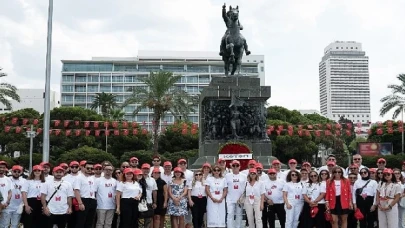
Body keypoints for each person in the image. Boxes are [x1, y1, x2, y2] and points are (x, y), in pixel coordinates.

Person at [74, 161, 97, 228]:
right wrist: (80, 203)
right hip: (83, 200)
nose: (89, 170)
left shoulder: (93, 178)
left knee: (89, 222)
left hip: (92, 200)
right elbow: (76, 191)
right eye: (88, 168)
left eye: (91, 168)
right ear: (83, 168)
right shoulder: (79, 177)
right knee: (81, 221)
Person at [225, 160, 246, 228]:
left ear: (240, 166)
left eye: (237, 165)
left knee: (239, 214)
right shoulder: (227, 176)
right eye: (233, 165)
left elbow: (246, 187)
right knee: (230, 214)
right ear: (231, 166)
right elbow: (225, 187)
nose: (235, 167)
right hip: (230, 198)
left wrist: (242, 197)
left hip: (240, 199)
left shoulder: (244, 176)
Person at [95, 164, 117, 228]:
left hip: (111, 206)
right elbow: (94, 192)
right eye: (106, 169)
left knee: (108, 223)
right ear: (103, 170)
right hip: (101, 205)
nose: (108, 171)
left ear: (112, 171)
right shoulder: (98, 180)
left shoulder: (115, 181)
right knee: (100, 223)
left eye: (110, 170)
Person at [141, 163, 158, 228]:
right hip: (139, 202)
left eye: (147, 169)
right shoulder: (137, 178)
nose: (146, 170)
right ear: (141, 169)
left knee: (148, 220)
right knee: (137, 219)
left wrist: (155, 202)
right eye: (144, 169)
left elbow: (154, 192)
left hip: (149, 202)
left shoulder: (152, 180)